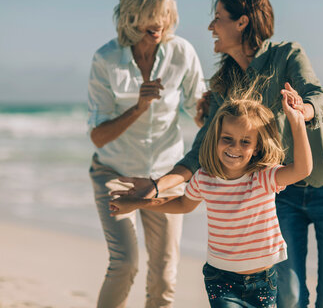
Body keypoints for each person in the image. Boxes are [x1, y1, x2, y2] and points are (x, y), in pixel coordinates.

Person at [118, 0, 323, 308]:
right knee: (289, 297)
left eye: (218, 18)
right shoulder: (224, 85)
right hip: (278, 190)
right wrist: (157, 186)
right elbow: (199, 152)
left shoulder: (287, 55)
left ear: (241, 22)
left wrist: (302, 111)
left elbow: (318, 96)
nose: (210, 27)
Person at [110, 90, 312, 308]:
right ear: (216, 139)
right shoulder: (204, 178)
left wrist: (297, 121)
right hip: (221, 279)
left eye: (245, 141)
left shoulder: (264, 177)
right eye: (227, 139)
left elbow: (302, 169)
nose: (234, 147)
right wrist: (136, 204)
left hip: (264, 281)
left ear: (257, 148)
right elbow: (182, 204)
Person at [87, 0, 206, 308]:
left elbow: (196, 110)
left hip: (164, 177)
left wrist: (206, 111)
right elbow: (98, 136)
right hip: (114, 174)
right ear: (131, 13)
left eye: (165, 15)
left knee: (165, 274)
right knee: (124, 264)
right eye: (151, 16)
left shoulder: (182, 53)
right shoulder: (106, 59)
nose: (159, 24)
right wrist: (139, 108)